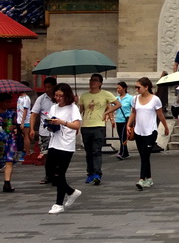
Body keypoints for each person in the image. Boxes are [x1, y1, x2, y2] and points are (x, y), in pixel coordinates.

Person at [44, 83, 83, 214]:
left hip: (66, 145)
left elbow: (77, 125)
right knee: (50, 172)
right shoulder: (54, 107)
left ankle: (58, 203)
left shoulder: (72, 108)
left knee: (60, 174)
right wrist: (50, 125)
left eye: (61, 96)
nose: (58, 98)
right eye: (56, 95)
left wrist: (62, 122)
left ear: (67, 96)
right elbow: (50, 121)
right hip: (54, 142)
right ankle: (71, 192)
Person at [126, 77, 170, 190]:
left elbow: (160, 115)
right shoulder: (135, 99)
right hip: (138, 131)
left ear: (146, 87)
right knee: (143, 156)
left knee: (145, 154)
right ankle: (149, 178)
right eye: (135, 87)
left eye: (138, 87)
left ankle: (141, 179)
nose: (136, 89)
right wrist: (128, 125)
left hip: (151, 131)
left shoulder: (155, 99)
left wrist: (165, 126)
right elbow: (133, 113)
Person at [78, 73, 117, 186]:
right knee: (88, 152)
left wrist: (107, 112)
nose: (92, 82)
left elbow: (117, 104)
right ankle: (90, 173)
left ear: (100, 83)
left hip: (98, 126)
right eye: (91, 80)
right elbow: (81, 110)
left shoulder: (105, 94)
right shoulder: (84, 96)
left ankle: (97, 174)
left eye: (95, 80)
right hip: (86, 126)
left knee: (96, 151)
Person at [29, 77, 57, 184]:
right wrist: (32, 129)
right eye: (46, 87)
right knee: (46, 154)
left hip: (57, 132)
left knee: (56, 154)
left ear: (54, 87)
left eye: (49, 87)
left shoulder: (59, 98)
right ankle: (48, 175)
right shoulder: (41, 99)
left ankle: (56, 174)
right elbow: (34, 114)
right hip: (44, 131)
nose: (47, 89)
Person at [112, 81, 133, 160]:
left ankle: (123, 152)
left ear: (124, 88)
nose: (118, 90)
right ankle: (125, 152)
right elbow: (111, 107)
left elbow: (134, 109)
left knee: (124, 136)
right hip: (118, 119)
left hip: (126, 119)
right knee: (121, 136)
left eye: (119, 88)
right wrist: (111, 118)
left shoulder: (130, 98)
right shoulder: (116, 99)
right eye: (117, 88)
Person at [1, 93, 18, 193]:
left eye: (9, 102)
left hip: (10, 139)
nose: (8, 104)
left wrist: (14, 127)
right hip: (0, 140)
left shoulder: (12, 113)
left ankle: (7, 182)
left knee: (9, 161)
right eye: (5, 102)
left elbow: (16, 123)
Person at [16, 90, 31, 162]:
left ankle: (27, 153)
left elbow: (25, 110)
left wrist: (22, 122)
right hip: (19, 119)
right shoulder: (19, 97)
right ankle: (23, 151)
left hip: (25, 120)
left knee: (26, 136)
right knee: (21, 136)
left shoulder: (26, 98)